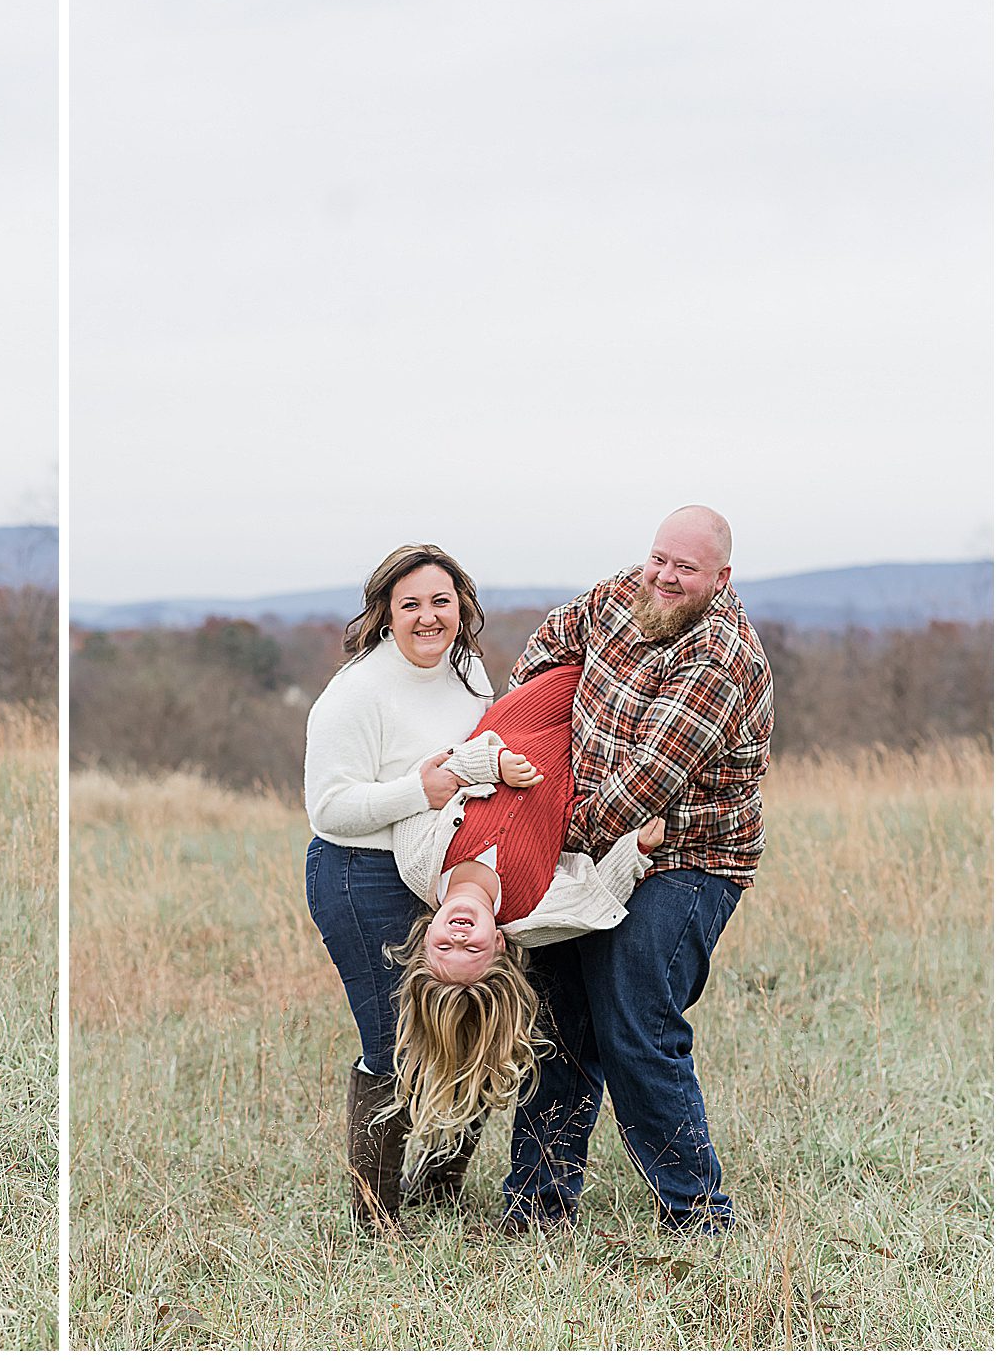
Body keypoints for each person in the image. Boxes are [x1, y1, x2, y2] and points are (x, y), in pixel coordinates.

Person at [498, 505, 773, 1235]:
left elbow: (645, 785)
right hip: (590, 854)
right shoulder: (623, 593)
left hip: (686, 858)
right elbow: (556, 639)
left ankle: (696, 1214)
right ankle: (536, 1208)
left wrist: (544, 825)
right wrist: (532, 719)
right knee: (556, 1018)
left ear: (722, 577)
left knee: (634, 1021)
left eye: (686, 567)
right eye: (660, 558)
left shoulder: (722, 656)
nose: (665, 575)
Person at [378, 663, 666, 1181]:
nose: (461, 936)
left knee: (611, 640)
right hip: (596, 741)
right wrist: (638, 848)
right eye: (473, 951)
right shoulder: (533, 914)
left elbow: (434, 774)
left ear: (425, 940)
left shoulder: (418, 860)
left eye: (446, 949)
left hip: (531, 706)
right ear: (502, 949)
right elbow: (595, 893)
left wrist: (493, 763)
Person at [303, 543, 498, 1229]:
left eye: (440, 602)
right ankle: (374, 1213)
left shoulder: (470, 674)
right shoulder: (356, 692)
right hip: (360, 875)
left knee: (475, 1027)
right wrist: (422, 787)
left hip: (445, 874)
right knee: (394, 1041)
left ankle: (441, 1184)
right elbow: (327, 809)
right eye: (410, 604)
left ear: (461, 608)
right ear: (387, 613)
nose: (427, 618)